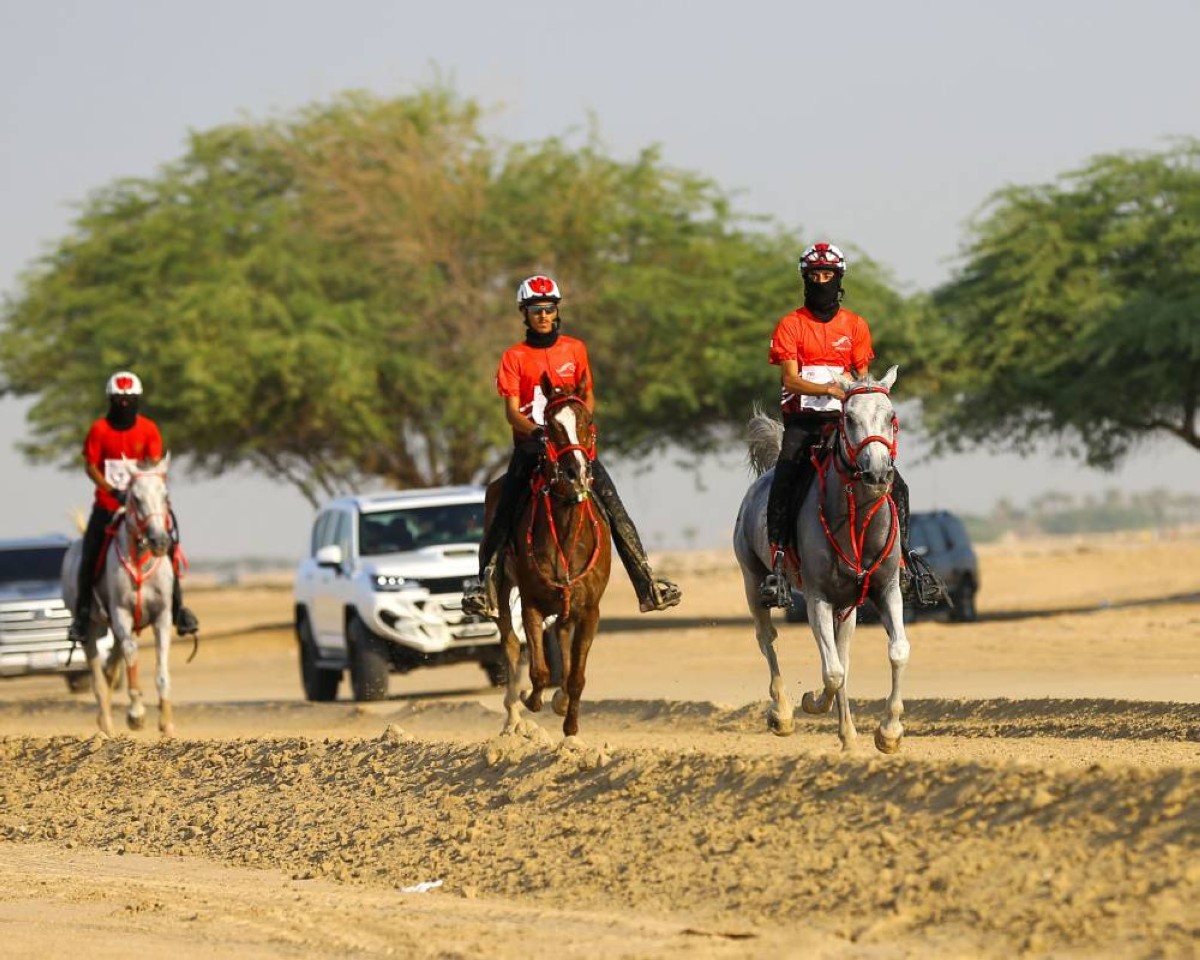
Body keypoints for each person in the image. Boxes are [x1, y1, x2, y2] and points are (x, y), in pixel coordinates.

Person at [462, 275, 682, 619]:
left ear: (556, 311)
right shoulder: (514, 357)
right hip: (532, 448)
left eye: (549, 309)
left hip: (575, 450)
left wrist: (578, 429)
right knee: (504, 511)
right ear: (524, 313)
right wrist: (538, 433)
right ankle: (485, 587)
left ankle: (647, 584)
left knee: (615, 509)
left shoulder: (575, 349)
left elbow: (587, 395)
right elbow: (512, 412)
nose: (543, 316)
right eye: (536, 310)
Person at [759, 243, 944, 609]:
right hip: (803, 422)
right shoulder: (791, 325)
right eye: (815, 276)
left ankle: (905, 565)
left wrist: (861, 402)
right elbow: (790, 380)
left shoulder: (855, 326)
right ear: (805, 280)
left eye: (828, 275)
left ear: (838, 279)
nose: (821, 282)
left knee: (896, 484)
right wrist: (828, 389)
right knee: (784, 479)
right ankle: (778, 564)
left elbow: (862, 379)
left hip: (845, 423)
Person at [67, 371, 200, 642]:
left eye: (129, 399)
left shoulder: (148, 429)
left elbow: (154, 465)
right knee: (89, 553)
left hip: (142, 510)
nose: (124, 404)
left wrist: (144, 495)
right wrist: (112, 491)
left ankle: (178, 610)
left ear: (137, 400)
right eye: (119, 399)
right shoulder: (99, 430)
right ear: (110, 400)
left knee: (168, 547)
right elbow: (91, 466)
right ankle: (82, 615)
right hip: (107, 505)